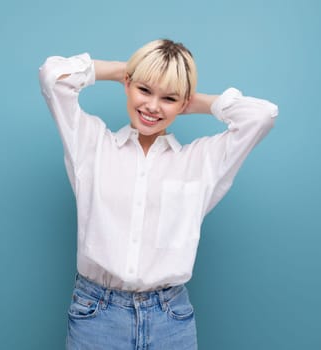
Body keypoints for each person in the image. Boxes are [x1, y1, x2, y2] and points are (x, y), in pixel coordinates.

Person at [39, 39, 278, 349]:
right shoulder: (90, 144)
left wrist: (197, 101)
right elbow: (53, 77)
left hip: (170, 319)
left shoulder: (200, 161)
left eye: (169, 98)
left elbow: (262, 116)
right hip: (96, 316)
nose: (152, 106)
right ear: (129, 84)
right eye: (144, 90)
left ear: (184, 103)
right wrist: (129, 70)